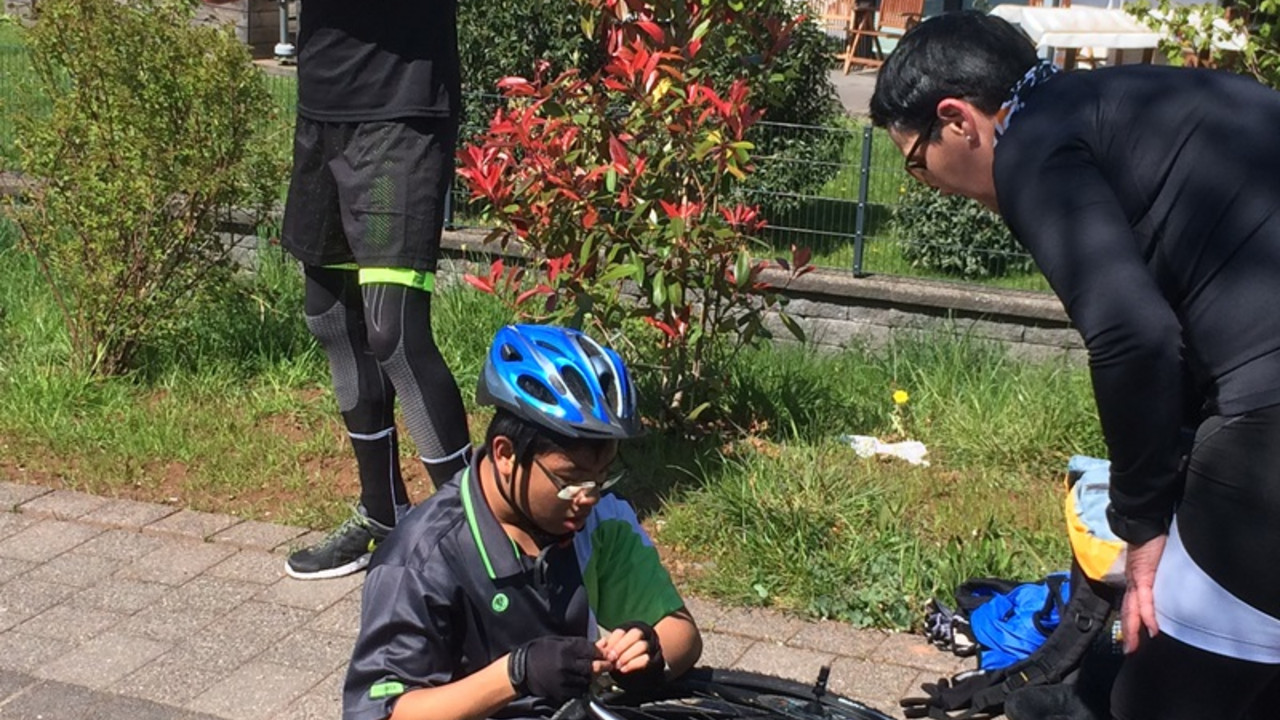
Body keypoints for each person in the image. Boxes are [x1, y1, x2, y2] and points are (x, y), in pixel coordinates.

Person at [869, 11, 1280, 720]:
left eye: (917, 162)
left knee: (1164, 697)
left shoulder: (1027, 144)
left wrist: (1142, 523)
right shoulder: (1140, 100)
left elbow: (1133, 336)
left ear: (958, 121)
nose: (931, 184)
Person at [205, 0, 473, 578]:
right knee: (328, 315)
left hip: (400, 111)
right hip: (323, 107)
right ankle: (382, 513)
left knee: (393, 332)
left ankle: (480, 536)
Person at [342, 324, 703, 720]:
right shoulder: (419, 559)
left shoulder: (599, 520)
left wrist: (648, 652)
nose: (589, 497)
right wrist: (515, 674)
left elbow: (681, 633)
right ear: (506, 455)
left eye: (602, 477)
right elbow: (386, 712)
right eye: (570, 481)